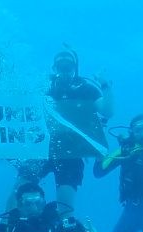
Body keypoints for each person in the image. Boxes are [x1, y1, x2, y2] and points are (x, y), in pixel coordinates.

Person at [12, 49, 110, 215]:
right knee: (20, 190)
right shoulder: (44, 87)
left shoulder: (86, 90)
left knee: (65, 204)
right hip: (42, 149)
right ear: (54, 68)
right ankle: (9, 228)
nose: (65, 71)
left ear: (75, 68)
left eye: (68, 67)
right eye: (60, 67)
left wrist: (105, 85)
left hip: (71, 151)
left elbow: (107, 112)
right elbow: (21, 109)